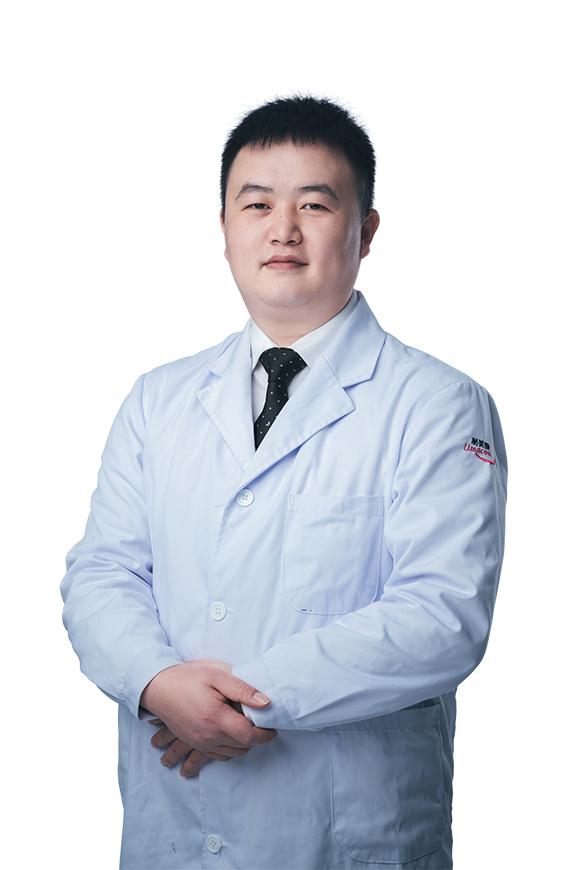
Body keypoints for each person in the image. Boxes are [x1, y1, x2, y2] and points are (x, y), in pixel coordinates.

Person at [61, 95, 507, 870]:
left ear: (366, 231)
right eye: (258, 204)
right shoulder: (159, 399)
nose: (284, 229)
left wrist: (235, 702)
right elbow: (103, 573)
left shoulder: (438, 404)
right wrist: (158, 682)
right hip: (175, 825)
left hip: (348, 836)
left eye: (315, 204)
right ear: (225, 228)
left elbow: (442, 614)